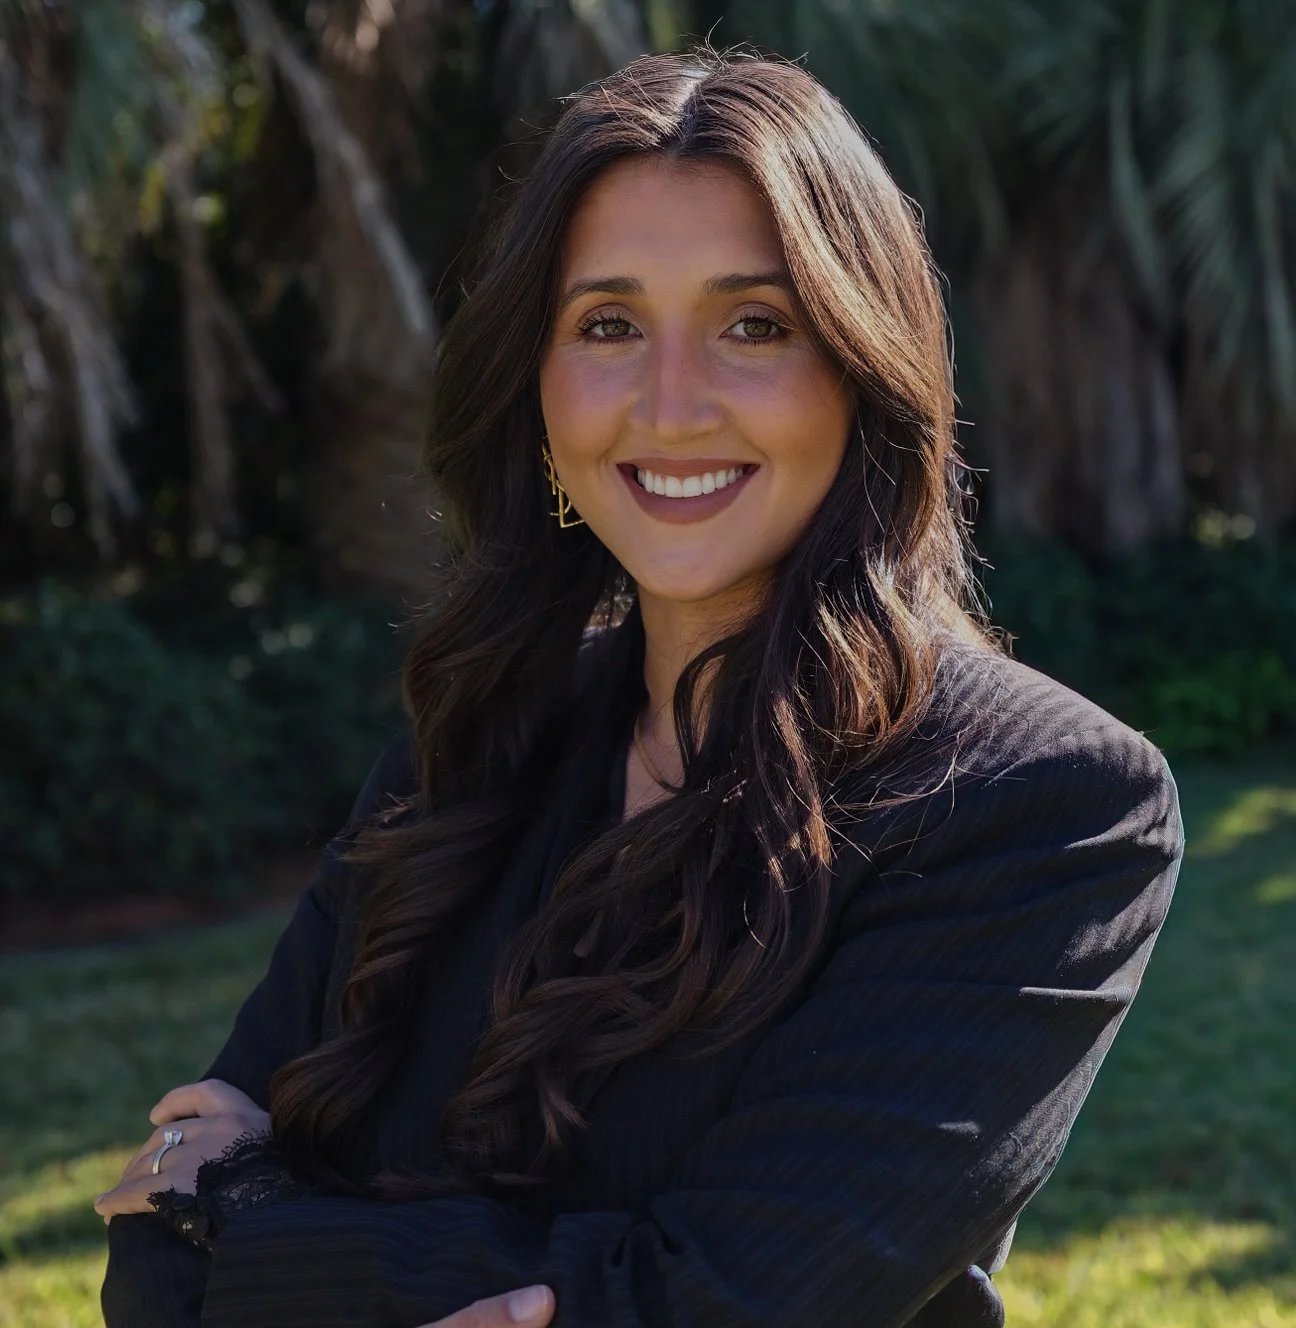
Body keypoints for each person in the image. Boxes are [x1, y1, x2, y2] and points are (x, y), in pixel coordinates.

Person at [95, 45, 1185, 1328]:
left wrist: (247, 1205)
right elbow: (154, 1277)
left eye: (754, 325)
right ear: (536, 381)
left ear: (862, 366)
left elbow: (715, 1304)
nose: (670, 406)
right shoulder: (476, 738)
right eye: (608, 324)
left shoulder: (1040, 803)